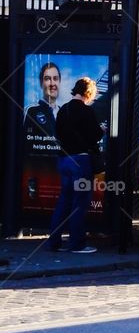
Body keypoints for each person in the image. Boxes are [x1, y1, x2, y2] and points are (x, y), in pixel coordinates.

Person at [47, 77, 103, 254]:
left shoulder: (63, 109)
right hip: (81, 161)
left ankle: (54, 242)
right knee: (80, 203)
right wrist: (102, 130)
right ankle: (76, 244)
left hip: (64, 160)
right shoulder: (86, 111)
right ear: (89, 93)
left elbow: (59, 133)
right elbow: (94, 135)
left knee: (64, 201)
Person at [24, 62, 61, 152]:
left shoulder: (64, 112)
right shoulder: (30, 111)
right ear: (41, 83)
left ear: (59, 82)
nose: (52, 83)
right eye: (47, 79)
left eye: (55, 79)